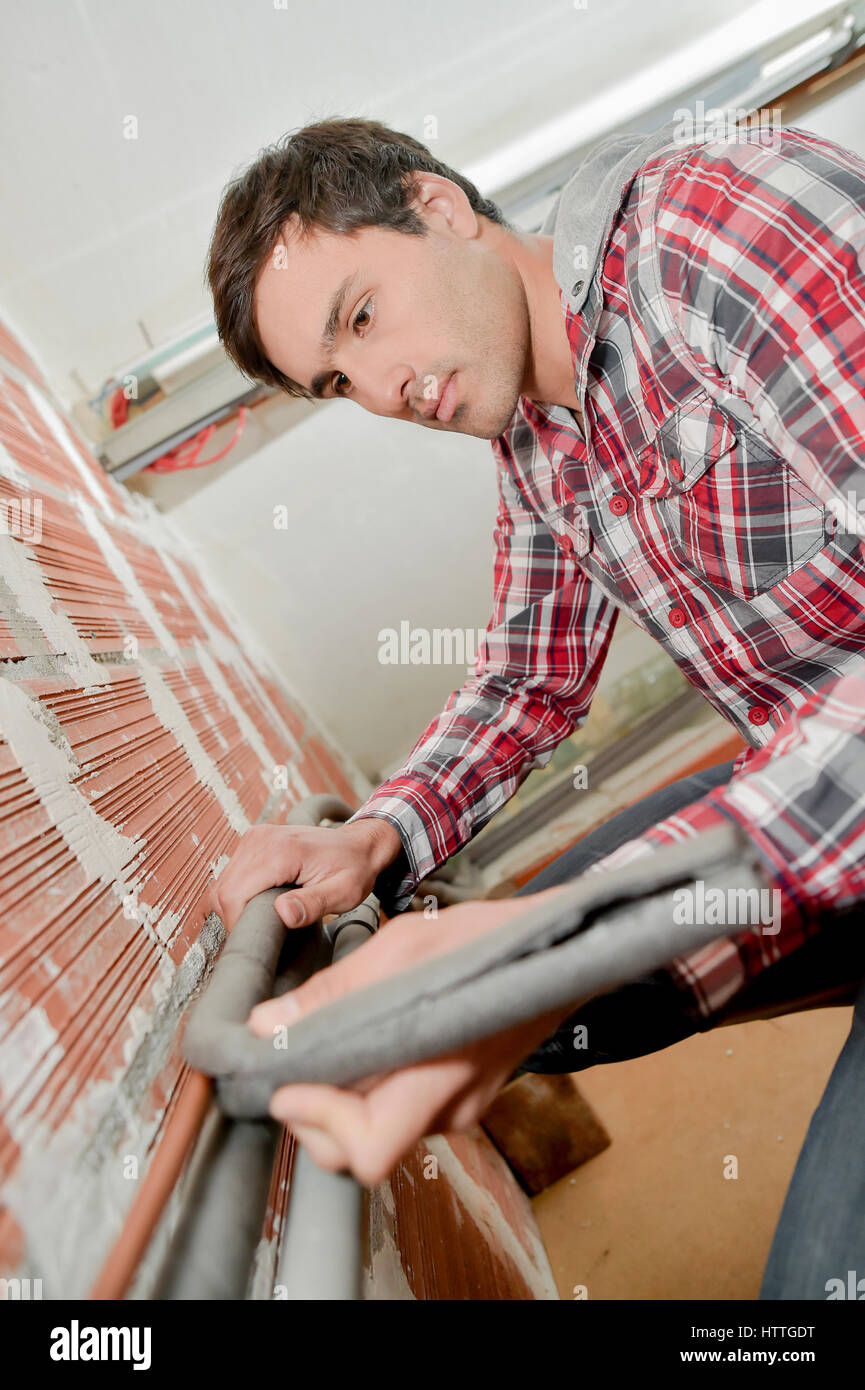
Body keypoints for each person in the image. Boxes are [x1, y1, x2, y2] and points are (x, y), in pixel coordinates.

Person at [207, 114, 865, 1297]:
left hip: (816, 808)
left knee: (814, 1289)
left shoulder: (714, 230)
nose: (383, 391)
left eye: (361, 316)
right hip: (825, 805)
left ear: (441, 207)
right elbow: (528, 675)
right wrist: (381, 832)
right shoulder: (536, 441)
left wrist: (593, 924)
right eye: (338, 380)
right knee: (505, 989)